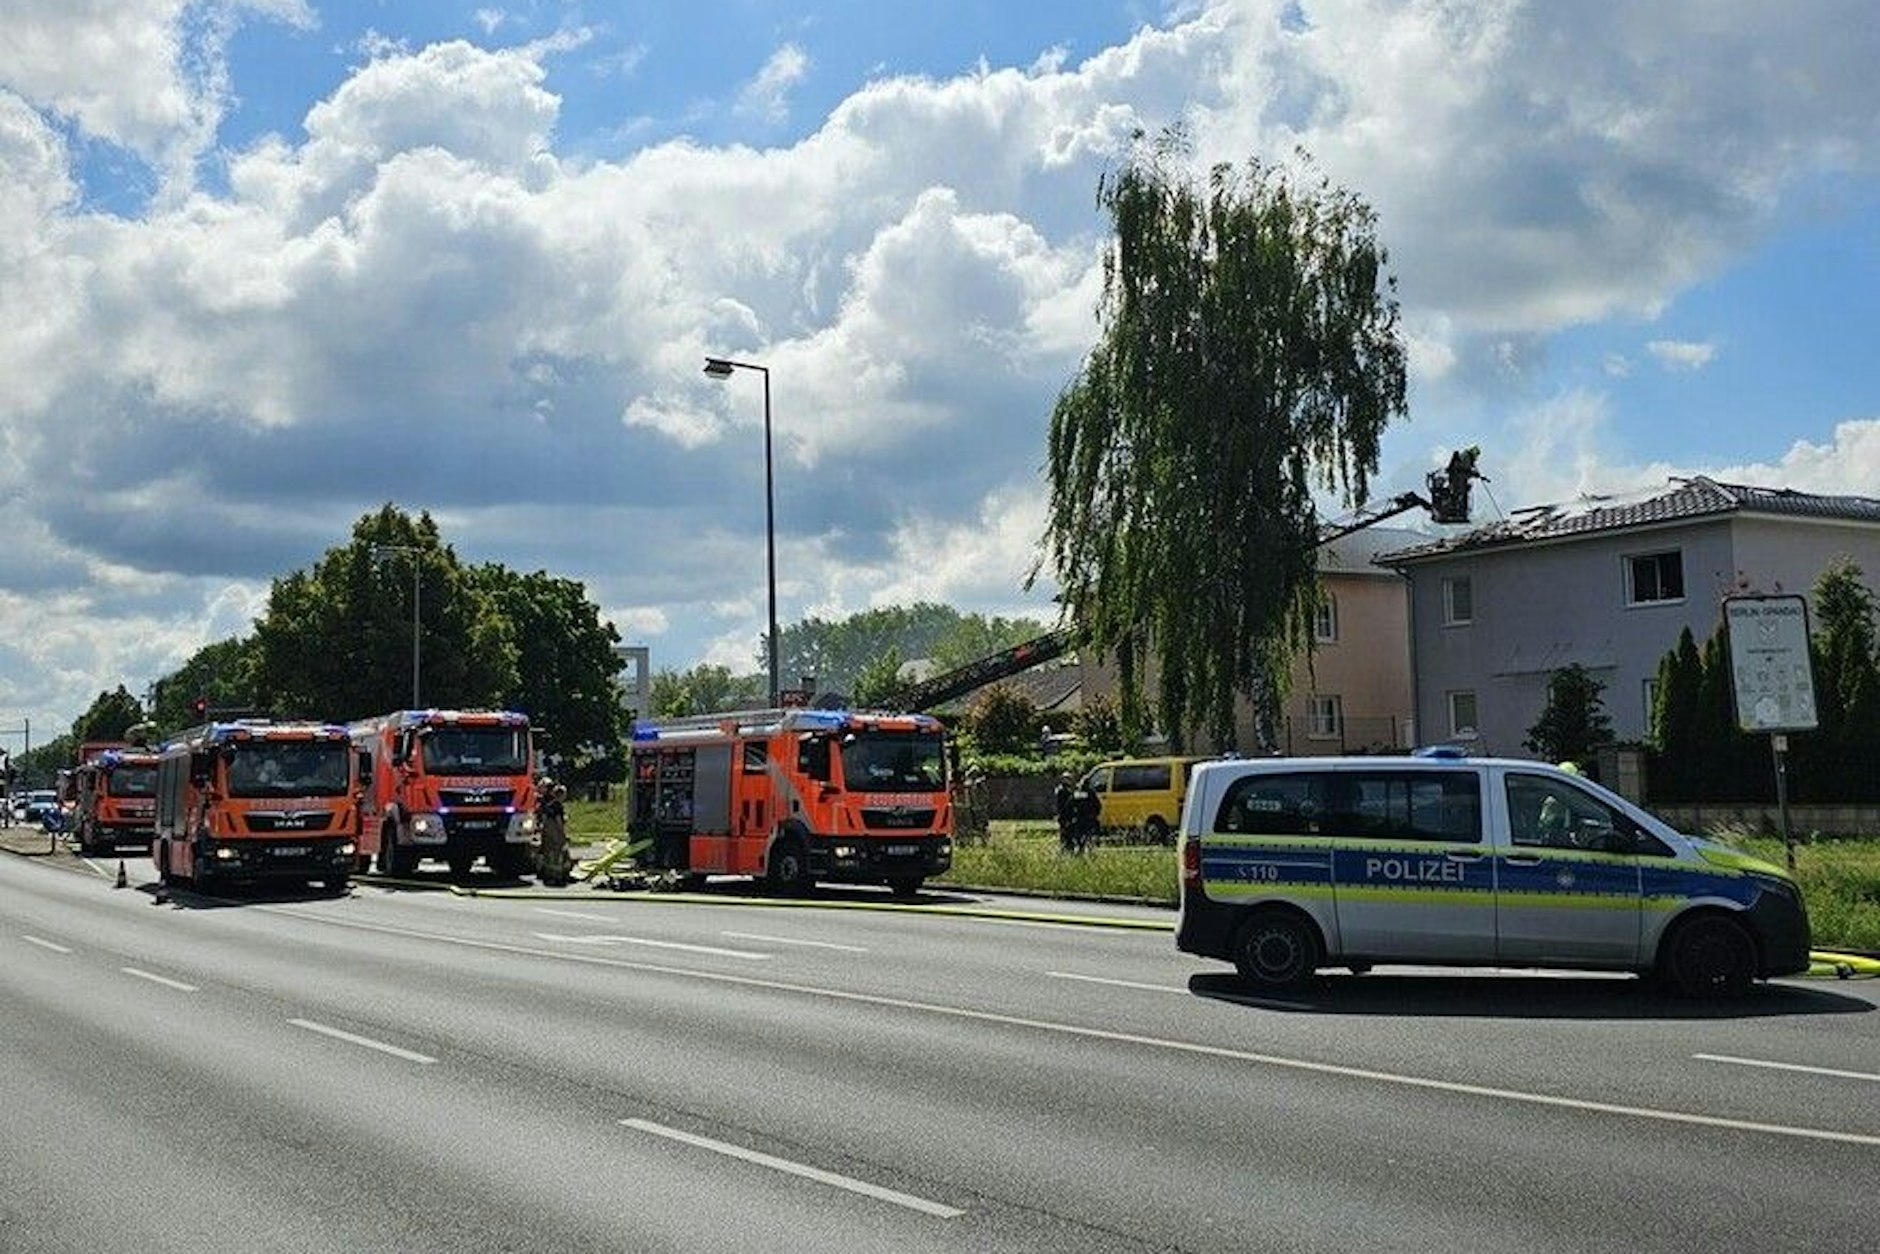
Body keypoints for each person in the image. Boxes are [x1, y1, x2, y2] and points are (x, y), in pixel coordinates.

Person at [535, 775, 571, 886]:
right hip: (555, 834)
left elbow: (542, 818)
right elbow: (558, 822)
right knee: (556, 855)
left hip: (546, 833)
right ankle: (558, 876)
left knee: (547, 853)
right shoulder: (557, 806)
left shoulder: (546, 804)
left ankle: (546, 874)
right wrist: (563, 835)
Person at [1052, 775, 1076, 852]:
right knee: (1066, 833)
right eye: (1068, 779)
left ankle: (1066, 848)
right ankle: (1065, 849)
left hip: (1065, 815)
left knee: (1066, 833)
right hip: (1065, 815)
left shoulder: (1063, 789)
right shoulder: (1062, 791)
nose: (1070, 781)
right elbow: (1064, 805)